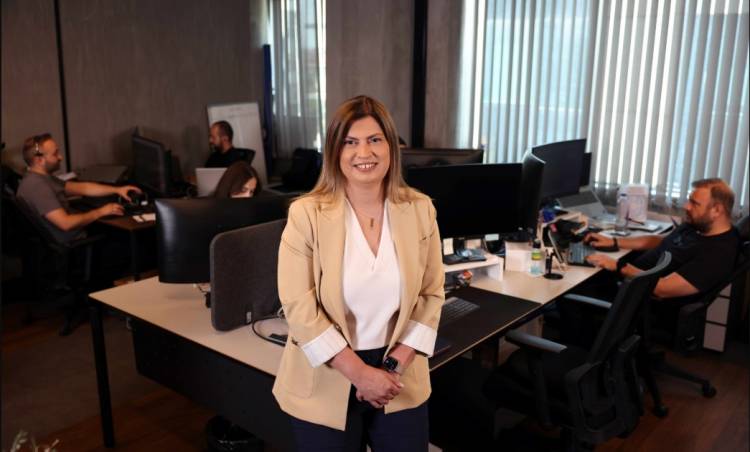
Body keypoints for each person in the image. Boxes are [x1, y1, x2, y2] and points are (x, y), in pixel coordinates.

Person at [274, 95, 445, 451]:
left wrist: (395, 364)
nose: (363, 152)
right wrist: (360, 373)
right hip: (327, 371)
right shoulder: (306, 214)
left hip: (399, 371)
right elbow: (298, 306)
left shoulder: (420, 209)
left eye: (374, 139)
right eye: (350, 142)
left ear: (391, 147)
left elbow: (431, 294)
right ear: (335, 151)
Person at [584, 178, 739, 299]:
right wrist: (614, 241)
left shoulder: (719, 253)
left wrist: (618, 266)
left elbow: (662, 288)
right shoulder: (698, 226)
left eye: (694, 203)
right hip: (627, 278)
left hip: (634, 297)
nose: (686, 206)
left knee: (577, 288)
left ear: (716, 210)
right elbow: (660, 240)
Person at [16, 133, 141, 244]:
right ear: (39, 160)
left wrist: (117, 190)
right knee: (126, 235)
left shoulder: (40, 177)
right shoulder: (38, 186)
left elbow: (83, 188)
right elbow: (66, 223)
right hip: (75, 242)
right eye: (55, 154)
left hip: (71, 235)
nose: (60, 157)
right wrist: (101, 212)